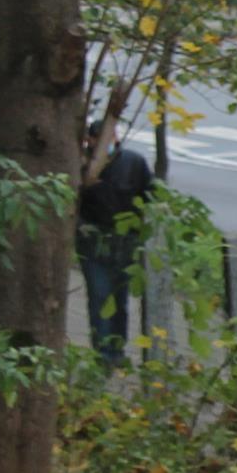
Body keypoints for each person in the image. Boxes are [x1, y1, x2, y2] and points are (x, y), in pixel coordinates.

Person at [77, 121, 155, 367]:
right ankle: (103, 354)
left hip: (124, 243)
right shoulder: (82, 167)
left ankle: (117, 350)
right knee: (100, 297)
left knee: (119, 299)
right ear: (89, 141)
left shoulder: (132, 163)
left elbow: (150, 194)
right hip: (93, 243)